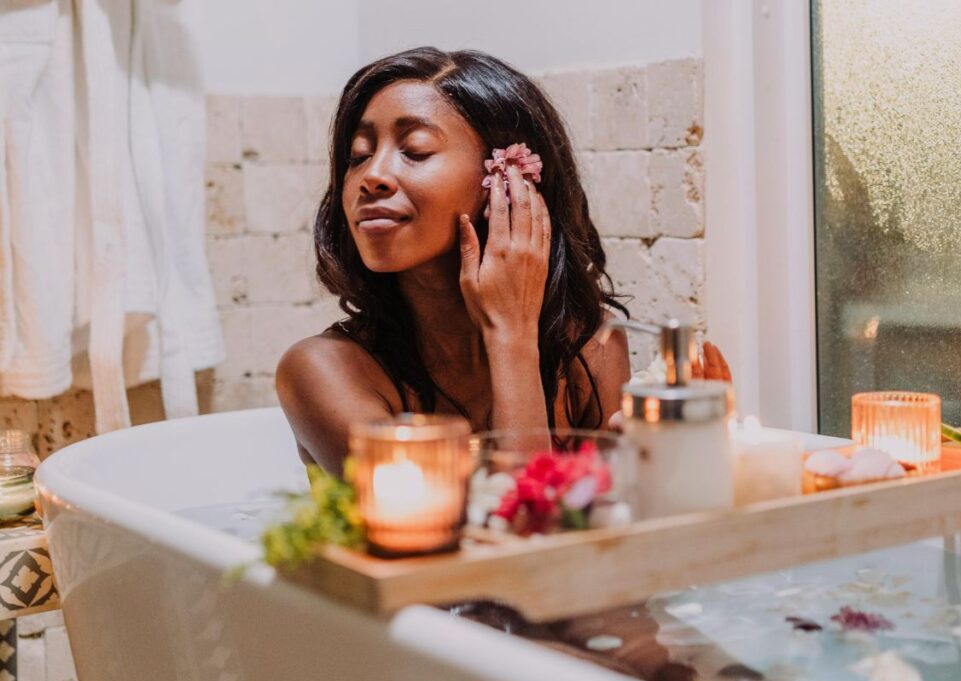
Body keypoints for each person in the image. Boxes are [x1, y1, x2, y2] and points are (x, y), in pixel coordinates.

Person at [276, 47, 731, 472]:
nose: (371, 176)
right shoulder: (321, 373)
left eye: (414, 150)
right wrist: (510, 331)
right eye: (358, 156)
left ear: (507, 181)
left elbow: (614, 540)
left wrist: (671, 458)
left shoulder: (589, 349)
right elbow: (504, 540)